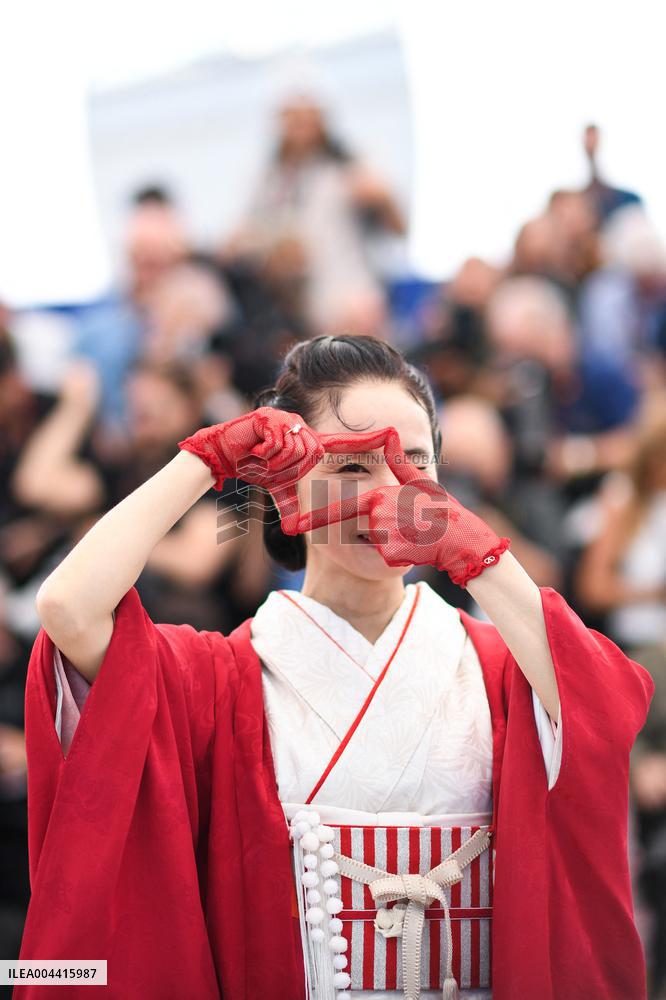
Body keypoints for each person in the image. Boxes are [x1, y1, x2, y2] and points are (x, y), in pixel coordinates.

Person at [17, 336, 652, 999]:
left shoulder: (499, 667)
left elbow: (600, 703)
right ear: (288, 493)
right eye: (354, 468)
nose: (392, 494)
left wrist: (480, 554)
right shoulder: (221, 677)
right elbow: (68, 606)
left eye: (415, 464)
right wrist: (209, 460)